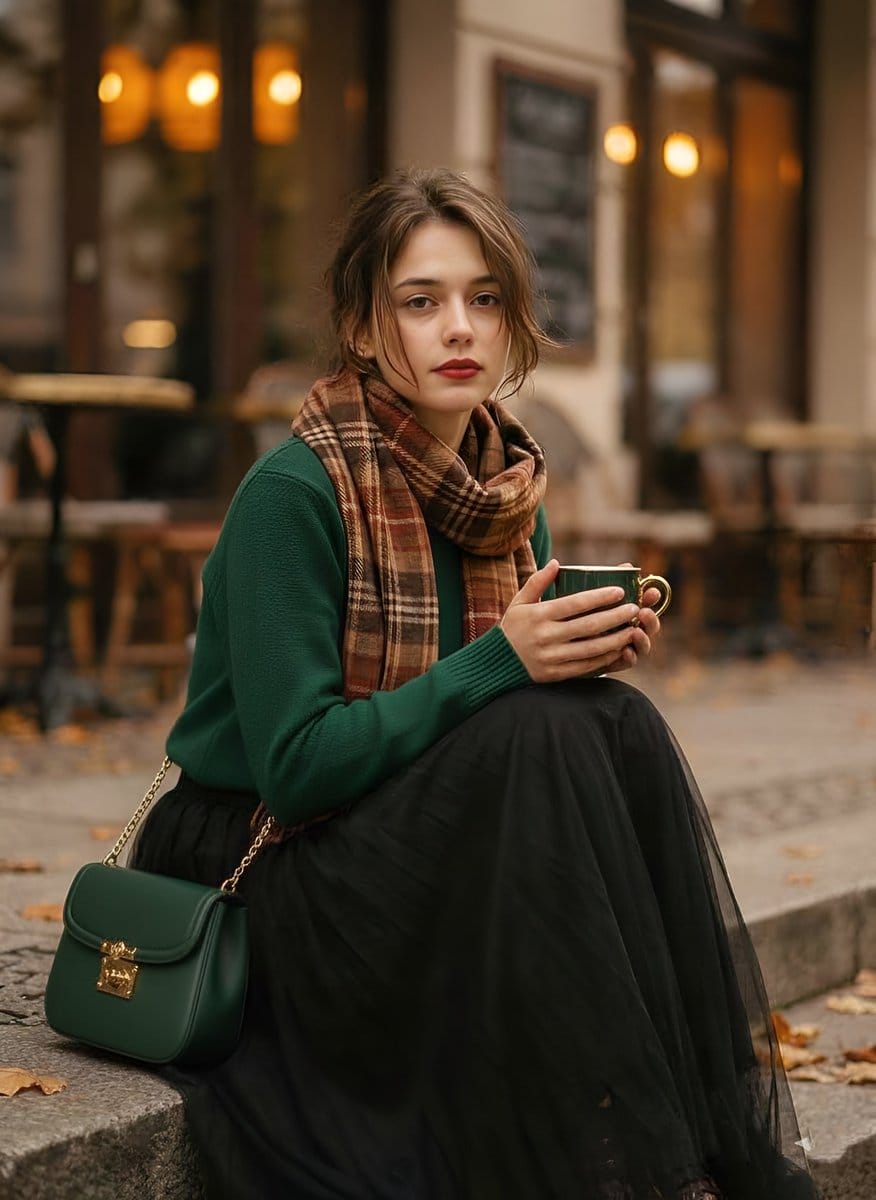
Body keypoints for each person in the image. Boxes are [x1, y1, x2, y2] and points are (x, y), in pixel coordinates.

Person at [131, 168, 820, 1200]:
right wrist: (509, 661)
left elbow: (491, 725)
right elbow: (299, 769)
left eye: (484, 298)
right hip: (262, 857)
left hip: (405, 832)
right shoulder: (293, 494)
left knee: (609, 723)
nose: (460, 326)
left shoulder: (506, 493)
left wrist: (572, 658)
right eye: (421, 301)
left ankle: (696, 1149)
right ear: (365, 329)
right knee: (541, 731)